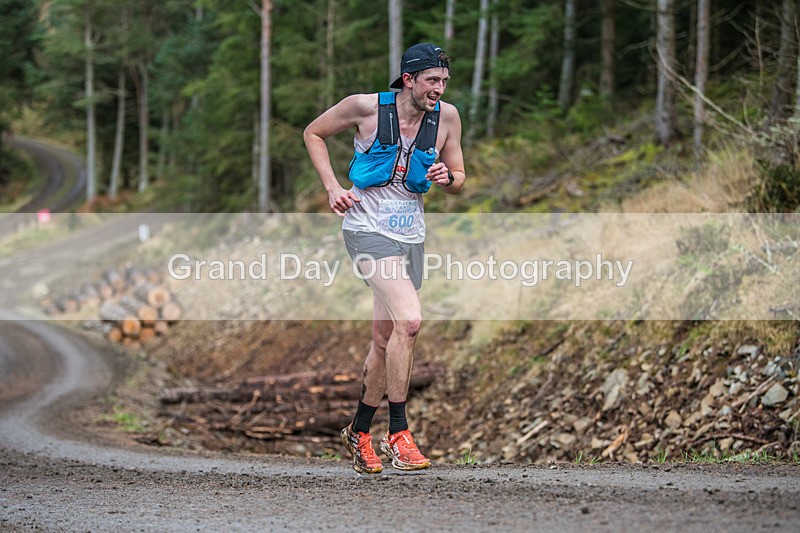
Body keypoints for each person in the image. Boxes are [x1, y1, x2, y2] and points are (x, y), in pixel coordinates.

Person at [303, 43, 465, 473]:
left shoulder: (446, 117)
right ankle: (399, 433)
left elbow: (459, 176)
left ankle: (358, 432)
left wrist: (448, 178)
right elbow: (312, 133)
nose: (440, 89)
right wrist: (333, 187)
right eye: (432, 80)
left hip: (410, 236)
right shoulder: (365, 108)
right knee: (410, 321)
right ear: (408, 79)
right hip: (366, 232)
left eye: (444, 81)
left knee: (384, 338)